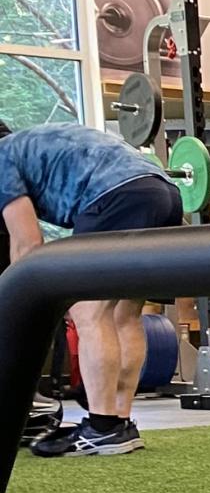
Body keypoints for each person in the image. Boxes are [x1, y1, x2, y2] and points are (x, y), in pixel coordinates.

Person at [0, 120, 182, 456]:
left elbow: (27, 245)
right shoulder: (35, 142)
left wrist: (12, 300)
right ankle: (120, 423)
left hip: (116, 194)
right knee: (125, 313)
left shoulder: (1, 157)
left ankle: (102, 427)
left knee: (87, 310)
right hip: (163, 191)